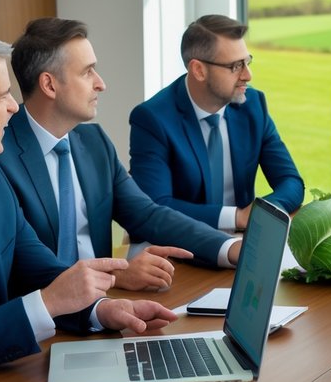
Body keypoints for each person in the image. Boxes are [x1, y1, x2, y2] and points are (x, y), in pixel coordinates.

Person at [0, 31, 176, 382]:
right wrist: (49, 303)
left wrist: (101, 310)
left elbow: (38, 270)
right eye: (3, 95)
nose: (13, 107)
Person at [0, 18, 241, 292]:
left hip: (104, 308)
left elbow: (148, 215)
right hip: (44, 321)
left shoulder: (95, 141)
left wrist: (229, 248)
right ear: (49, 85)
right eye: (88, 72)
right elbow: (18, 265)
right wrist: (115, 277)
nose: (101, 84)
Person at [129, 14, 304, 231]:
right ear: (199, 70)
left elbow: (291, 181)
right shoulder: (152, 119)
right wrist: (236, 217)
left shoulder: (253, 105)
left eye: (247, 62)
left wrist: (262, 212)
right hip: (183, 247)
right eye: (236, 66)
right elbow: (155, 206)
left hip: (244, 242)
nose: (248, 75)